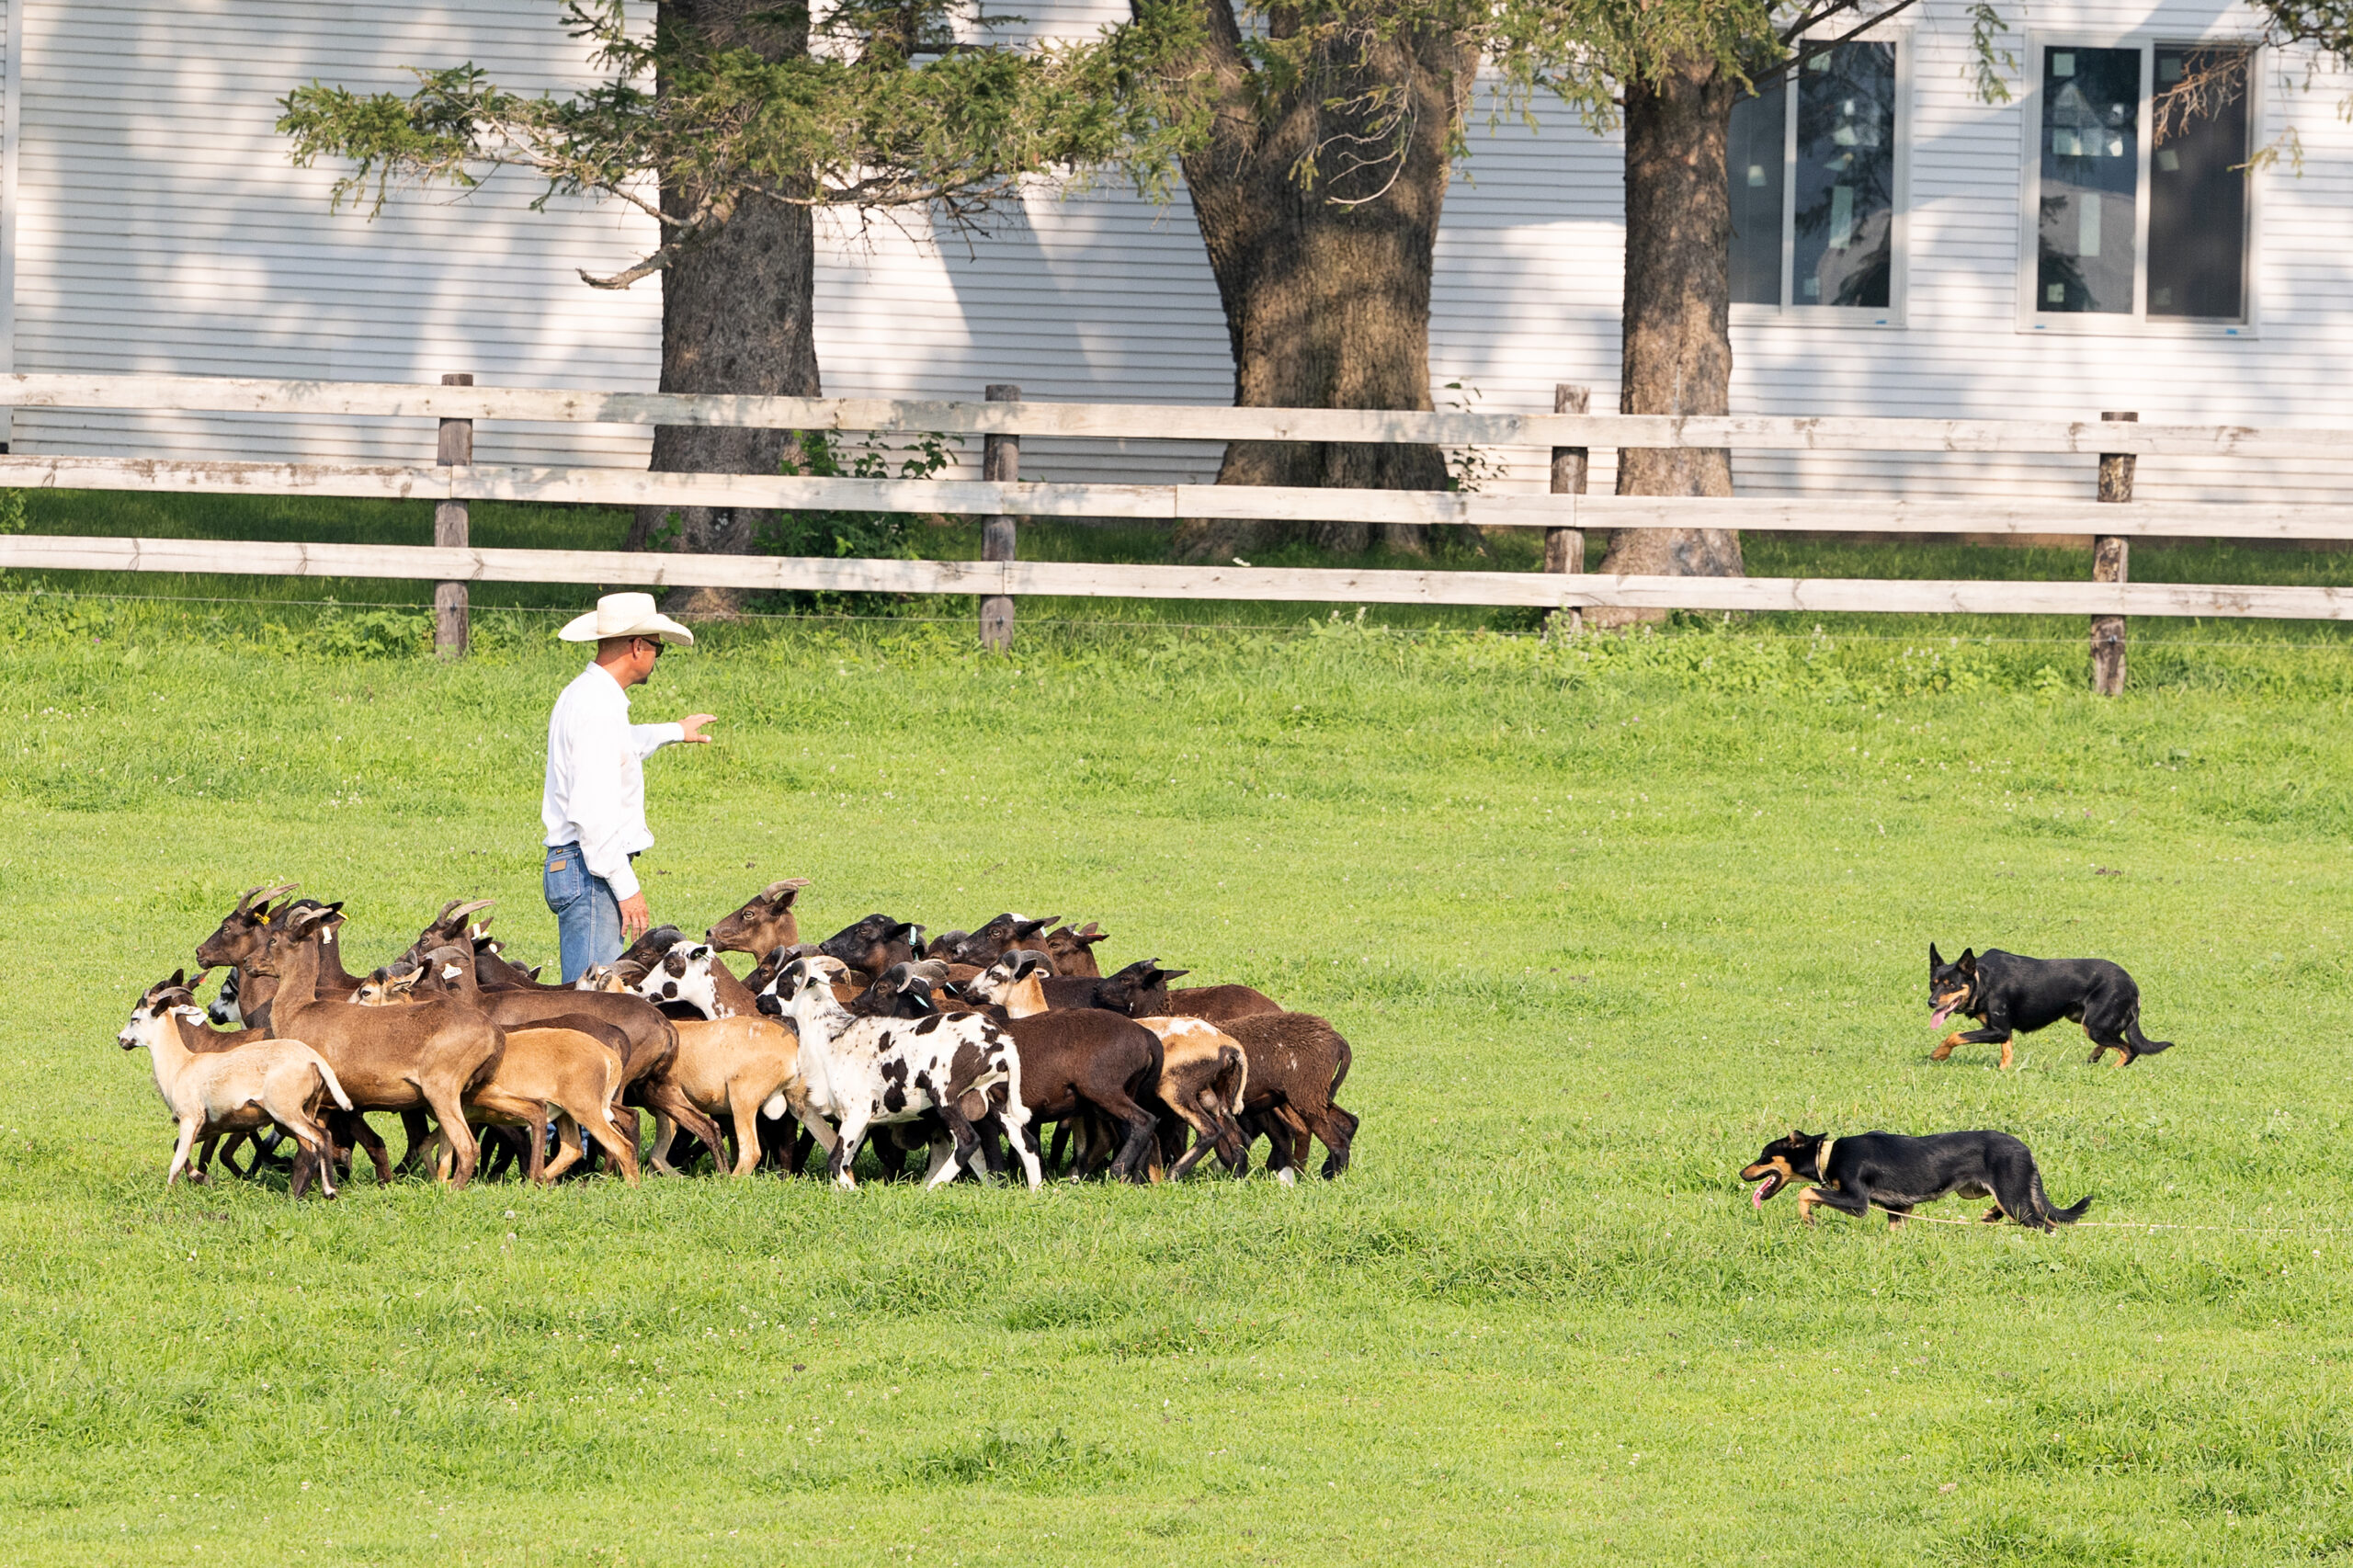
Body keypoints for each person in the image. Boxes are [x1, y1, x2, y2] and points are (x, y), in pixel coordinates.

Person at [541, 593, 717, 983]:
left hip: (578, 864)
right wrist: (627, 888)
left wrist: (676, 731)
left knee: (597, 990)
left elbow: (618, 745)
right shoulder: (597, 708)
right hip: (590, 870)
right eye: (658, 649)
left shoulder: (587, 695)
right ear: (638, 647)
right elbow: (591, 814)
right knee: (596, 999)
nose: (657, 658)